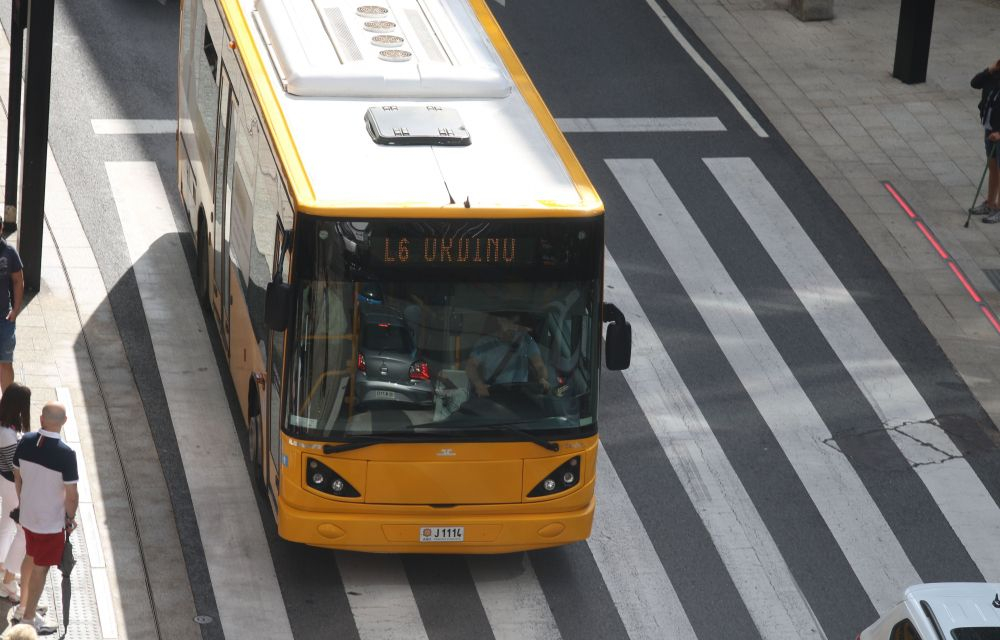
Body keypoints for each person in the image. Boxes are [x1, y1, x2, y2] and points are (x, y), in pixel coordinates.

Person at [11, 402, 78, 636]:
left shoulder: (25, 441)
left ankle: (23, 607)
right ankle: (28, 619)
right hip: (49, 523)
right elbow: (72, 495)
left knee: (30, 556)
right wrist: (70, 518)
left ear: (41, 419)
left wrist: (24, 501)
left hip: (28, 516)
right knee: (41, 568)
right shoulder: (66, 454)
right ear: (64, 422)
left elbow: (17, 476)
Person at [466, 312, 550, 397]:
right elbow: (471, 366)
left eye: (517, 322)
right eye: (510, 321)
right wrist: (479, 385)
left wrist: (542, 378)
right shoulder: (485, 343)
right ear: (499, 320)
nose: (513, 326)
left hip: (521, 395)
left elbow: (539, 365)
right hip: (495, 395)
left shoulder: (526, 341)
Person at [0, 384, 30, 602]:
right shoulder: (7, 434)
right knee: (21, 531)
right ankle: (7, 580)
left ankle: (3, 566)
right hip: (12, 484)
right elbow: (16, 468)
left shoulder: (5, 427)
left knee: (7, 524)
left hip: (6, 481)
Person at [971, 59, 1000, 222]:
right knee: (993, 166)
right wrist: (989, 69)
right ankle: (990, 203)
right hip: (990, 129)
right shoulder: (993, 76)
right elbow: (975, 83)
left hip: (998, 133)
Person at [0, 236, 23, 392]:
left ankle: (7, 402)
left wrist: (15, 310)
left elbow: (18, 281)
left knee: (5, 362)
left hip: (4, 318)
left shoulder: (9, 252)